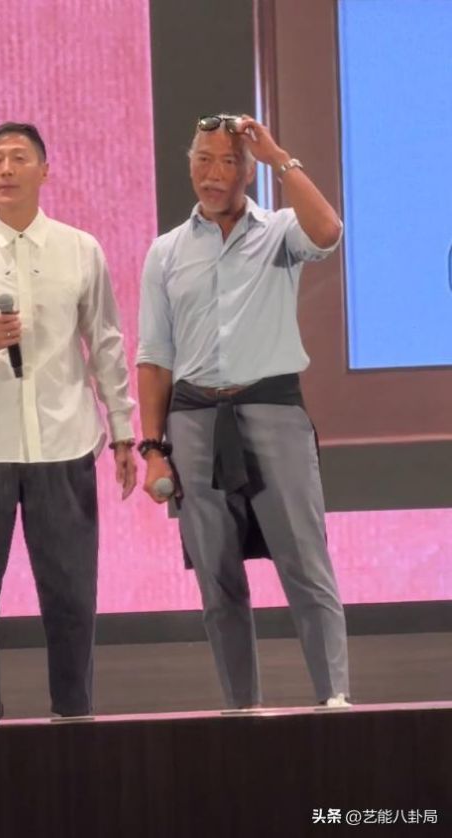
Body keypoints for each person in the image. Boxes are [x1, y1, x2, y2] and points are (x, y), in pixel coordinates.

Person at [0, 122, 137, 717]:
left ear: (44, 170)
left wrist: (122, 430)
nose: (5, 169)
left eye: (18, 158)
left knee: (71, 598)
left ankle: (73, 716)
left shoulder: (80, 249)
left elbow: (105, 344)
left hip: (64, 444)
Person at [137, 113, 350, 709]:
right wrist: (152, 447)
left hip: (272, 410)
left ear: (248, 171)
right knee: (216, 576)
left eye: (228, 161)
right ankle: (241, 709)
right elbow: (154, 358)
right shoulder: (166, 252)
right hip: (193, 421)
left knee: (305, 562)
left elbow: (328, 232)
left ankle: (335, 700)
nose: (212, 174)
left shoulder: (279, 231)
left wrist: (279, 155)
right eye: (202, 160)